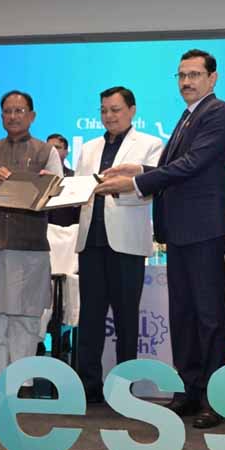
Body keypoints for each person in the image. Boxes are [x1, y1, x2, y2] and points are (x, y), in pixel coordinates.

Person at [95, 49, 225, 429]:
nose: (186, 82)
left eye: (194, 74)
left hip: (203, 228)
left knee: (208, 315)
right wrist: (140, 168)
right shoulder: (188, 116)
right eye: (181, 75)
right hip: (180, 231)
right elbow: (177, 166)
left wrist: (137, 181)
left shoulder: (218, 112)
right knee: (183, 314)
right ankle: (189, 391)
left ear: (212, 78)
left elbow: (193, 165)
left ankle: (214, 398)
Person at [0, 90, 63, 403]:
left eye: (20, 110)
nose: (13, 116)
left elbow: (60, 191)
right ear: (1, 116)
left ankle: (24, 379)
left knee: (26, 315)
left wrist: (43, 185)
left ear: (32, 116)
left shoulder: (46, 151)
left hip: (30, 246)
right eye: (8, 111)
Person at [75, 86, 164, 403]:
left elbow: (152, 189)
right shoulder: (88, 148)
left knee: (127, 318)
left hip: (126, 243)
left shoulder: (151, 144)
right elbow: (80, 190)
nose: (109, 116)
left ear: (132, 110)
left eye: (115, 109)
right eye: (104, 110)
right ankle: (88, 385)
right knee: (90, 317)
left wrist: (116, 188)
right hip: (91, 241)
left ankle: (124, 386)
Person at [46, 133, 80, 227]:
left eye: (57, 147)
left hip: (65, 229)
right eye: (49, 147)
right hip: (40, 226)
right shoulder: (37, 175)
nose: (53, 150)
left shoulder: (74, 177)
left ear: (66, 152)